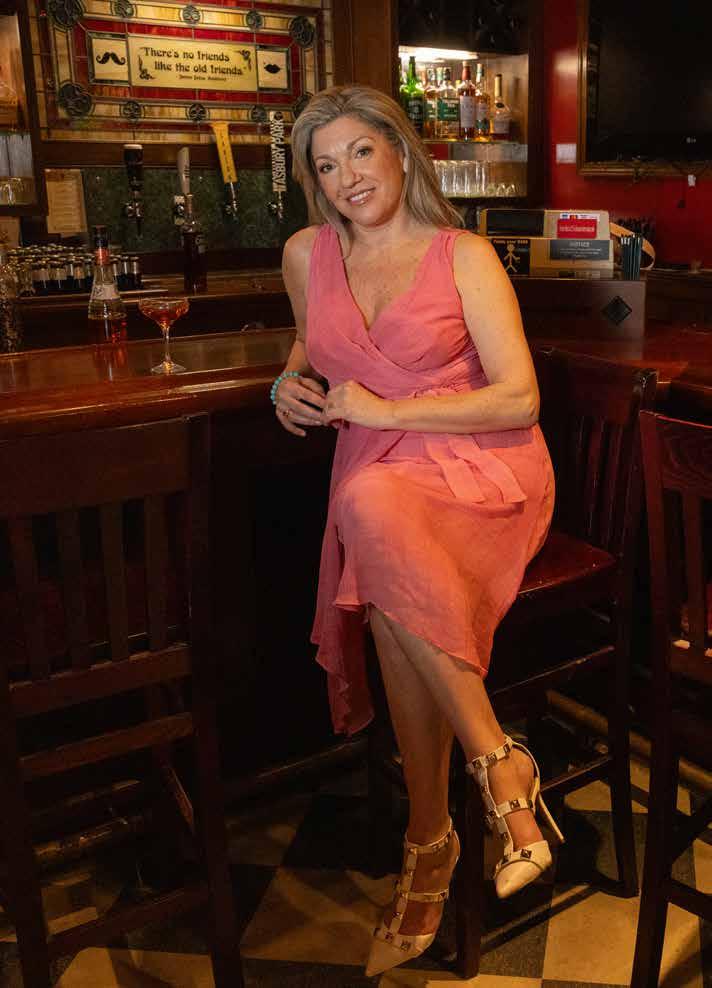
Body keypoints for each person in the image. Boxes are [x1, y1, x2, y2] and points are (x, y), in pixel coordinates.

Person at [270, 84, 561, 978]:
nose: (348, 177)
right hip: (379, 476)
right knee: (375, 526)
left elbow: (520, 398)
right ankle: (496, 771)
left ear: (400, 151)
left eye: (362, 152)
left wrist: (389, 409)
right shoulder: (305, 254)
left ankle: (432, 840)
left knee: (370, 522)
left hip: (483, 466)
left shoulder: (463, 254)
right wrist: (285, 384)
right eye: (326, 166)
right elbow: (311, 345)